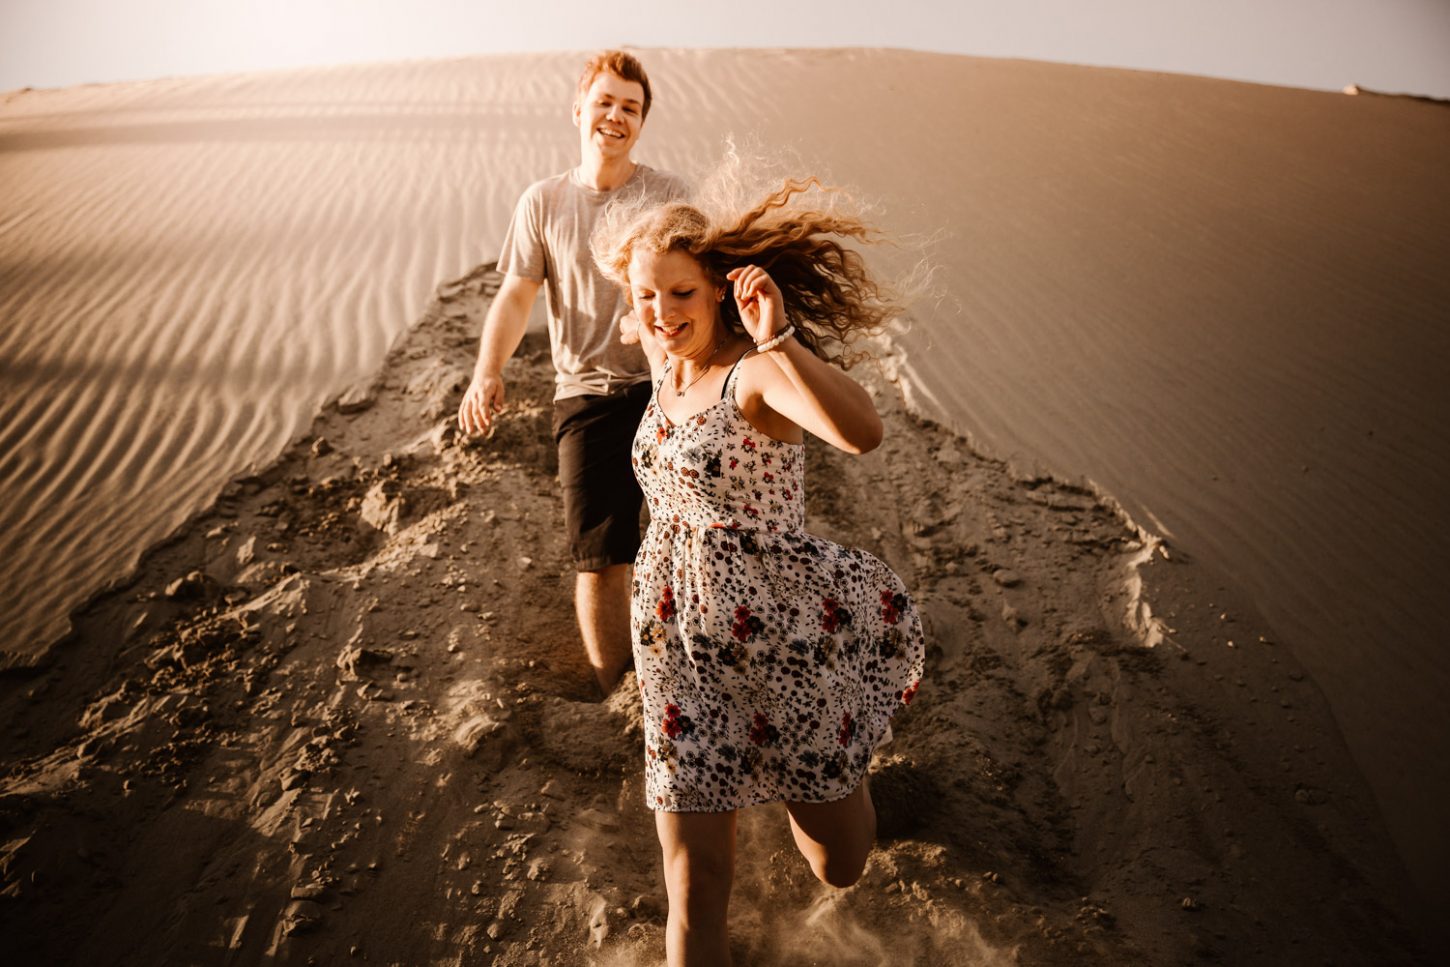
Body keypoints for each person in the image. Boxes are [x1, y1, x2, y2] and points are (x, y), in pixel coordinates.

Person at [593, 177, 927, 965]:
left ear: (716, 288)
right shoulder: (660, 352)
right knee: (696, 878)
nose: (662, 312)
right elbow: (636, 294)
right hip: (677, 649)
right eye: (646, 295)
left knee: (837, 865)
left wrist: (778, 336)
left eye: (681, 292)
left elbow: (862, 433)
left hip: (781, 645)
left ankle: (855, 786)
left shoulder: (755, 375)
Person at [457, 51, 686, 698]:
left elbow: (700, 285)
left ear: (641, 124)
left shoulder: (666, 196)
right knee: (599, 558)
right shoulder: (544, 201)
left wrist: (654, 329)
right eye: (606, 102)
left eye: (631, 108)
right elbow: (516, 294)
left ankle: (684, 675)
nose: (616, 116)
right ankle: (618, 690)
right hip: (583, 397)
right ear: (579, 110)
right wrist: (487, 372)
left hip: (667, 394)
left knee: (681, 547)